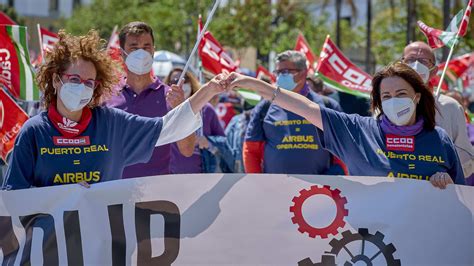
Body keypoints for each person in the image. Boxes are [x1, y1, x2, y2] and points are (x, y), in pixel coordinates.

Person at [2, 30, 226, 190]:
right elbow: (13, 196)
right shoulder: (33, 132)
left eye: (89, 82)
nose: (81, 87)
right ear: (56, 80)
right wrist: (62, 196)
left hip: (107, 245)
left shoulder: (112, 124)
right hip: (52, 250)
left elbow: (167, 128)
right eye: (74, 79)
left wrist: (207, 91)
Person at [225, 62, 465, 189]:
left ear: (417, 97)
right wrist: (256, 85)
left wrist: (445, 187)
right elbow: (306, 108)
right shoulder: (357, 132)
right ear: (379, 102)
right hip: (373, 247)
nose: (394, 101)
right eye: (387, 96)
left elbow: (460, 200)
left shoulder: (440, 139)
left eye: (401, 93)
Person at [106, 21, 196, 178]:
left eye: (146, 47)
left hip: (156, 194)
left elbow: (187, 150)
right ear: (121, 53)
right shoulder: (106, 96)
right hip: (113, 192)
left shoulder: (171, 96)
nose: (141, 53)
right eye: (134, 48)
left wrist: (181, 109)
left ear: (153, 50)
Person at [243, 50, 345, 175]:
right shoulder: (265, 107)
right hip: (275, 189)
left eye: (286, 72)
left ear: (303, 73)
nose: (280, 76)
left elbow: (343, 149)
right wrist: (257, 182)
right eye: (278, 72)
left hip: (317, 191)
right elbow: (251, 150)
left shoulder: (328, 106)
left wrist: (334, 179)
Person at [402, 41, 474, 178]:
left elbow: (465, 156)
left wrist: (449, 174)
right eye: (410, 60)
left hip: (439, 192)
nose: (416, 66)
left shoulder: (450, 107)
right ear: (400, 65)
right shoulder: (387, 104)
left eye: (423, 61)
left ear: (434, 71)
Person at [164, 68, 226, 173]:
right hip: (168, 176)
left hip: (202, 173)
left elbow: (224, 142)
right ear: (169, 85)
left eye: (185, 79)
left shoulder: (206, 109)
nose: (181, 83)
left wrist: (208, 141)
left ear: (192, 82)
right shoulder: (164, 110)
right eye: (175, 81)